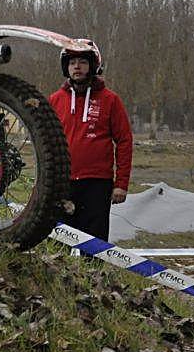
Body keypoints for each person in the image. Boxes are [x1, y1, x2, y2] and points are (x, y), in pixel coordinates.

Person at [47, 40, 133, 241]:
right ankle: (63, 274)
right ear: (66, 67)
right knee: (60, 244)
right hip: (62, 183)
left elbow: (124, 141)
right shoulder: (54, 100)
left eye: (82, 62)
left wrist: (121, 183)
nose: (77, 67)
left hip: (97, 184)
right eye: (72, 62)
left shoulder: (110, 100)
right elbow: (46, 143)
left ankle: (93, 274)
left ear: (93, 66)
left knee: (94, 245)